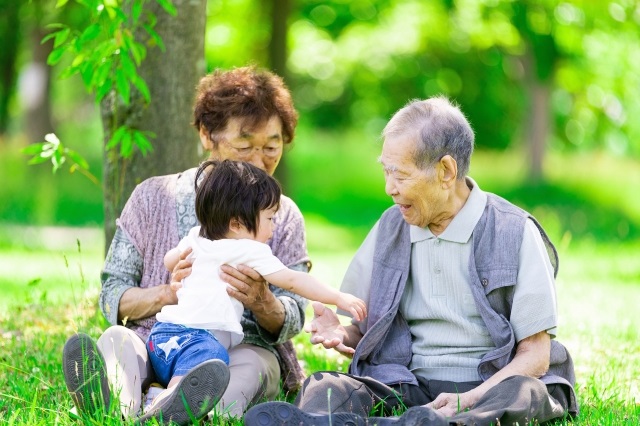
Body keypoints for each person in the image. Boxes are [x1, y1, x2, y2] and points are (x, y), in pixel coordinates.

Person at [245, 96, 578, 425]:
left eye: (401, 175)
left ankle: (440, 421)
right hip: (406, 383)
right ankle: (370, 422)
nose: (389, 188)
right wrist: (342, 334)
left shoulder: (514, 230)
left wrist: (467, 399)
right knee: (327, 386)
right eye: (386, 172)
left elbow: (536, 355)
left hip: (488, 386)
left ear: (446, 170)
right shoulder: (391, 226)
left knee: (527, 394)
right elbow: (366, 332)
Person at [62, 66, 313, 424]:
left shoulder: (283, 216)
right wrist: (168, 293)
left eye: (271, 147)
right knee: (119, 340)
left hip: (235, 352)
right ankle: (119, 406)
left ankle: (170, 408)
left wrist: (263, 301)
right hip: (157, 343)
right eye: (244, 145)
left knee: (250, 366)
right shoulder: (152, 197)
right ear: (206, 135)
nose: (259, 160)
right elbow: (112, 296)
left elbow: (296, 313)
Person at [144, 159, 366, 415]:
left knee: (196, 370)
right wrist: (337, 297)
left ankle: (156, 395)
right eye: (270, 218)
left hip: (163, 335)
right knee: (203, 367)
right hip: (198, 343)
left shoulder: (197, 236)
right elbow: (294, 280)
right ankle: (162, 408)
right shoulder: (249, 250)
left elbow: (169, 260)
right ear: (237, 224)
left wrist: (181, 265)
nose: (273, 227)